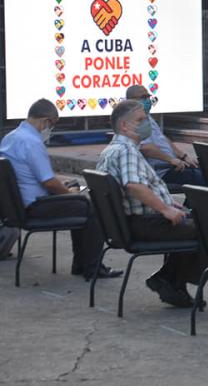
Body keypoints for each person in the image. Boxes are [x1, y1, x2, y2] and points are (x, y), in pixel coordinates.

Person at [97, 100, 206, 307]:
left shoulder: (113, 149)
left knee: (195, 219)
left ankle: (171, 280)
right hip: (143, 223)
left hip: (134, 221)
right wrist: (165, 209)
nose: (146, 124)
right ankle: (172, 281)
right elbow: (133, 185)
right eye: (140, 120)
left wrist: (170, 204)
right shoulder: (126, 151)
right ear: (124, 126)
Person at [0, 99, 119, 280]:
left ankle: (81, 263)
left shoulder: (11, 137)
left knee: (79, 204)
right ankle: (92, 268)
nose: (51, 130)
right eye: (53, 125)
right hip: (35, 207)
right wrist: (70, 194)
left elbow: (34, 174)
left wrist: (64, 184)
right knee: (92, 207)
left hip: (17, 206)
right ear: (45, 121)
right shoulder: (32, 142)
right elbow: (48, 183)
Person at [126, 85, 204, 187]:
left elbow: (161, 137)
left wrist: (183, 156)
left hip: (173, 164)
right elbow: (145, 148)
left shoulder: (146, 116)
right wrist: (171, 160)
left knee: (204, 169)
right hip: (160, 170)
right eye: (143, 97)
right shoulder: (133, 120)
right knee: (200, 177)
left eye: (148, 97)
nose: (148, 100)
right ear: (131, 100)